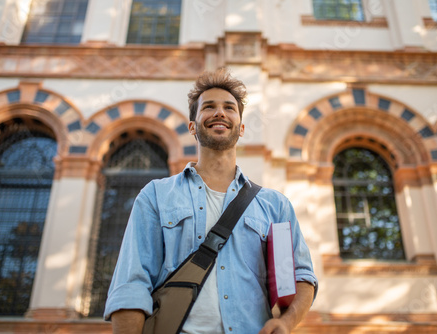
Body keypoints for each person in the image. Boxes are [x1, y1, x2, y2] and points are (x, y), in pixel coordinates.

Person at [104, 68, 318, 334]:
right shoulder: (156, 195)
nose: (220, 113)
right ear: (192, 126)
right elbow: (131, 285)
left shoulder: (275, 205)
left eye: (229, 107)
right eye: (209, 107)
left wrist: (286, 323)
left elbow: (301, 276)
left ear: (240, 128)